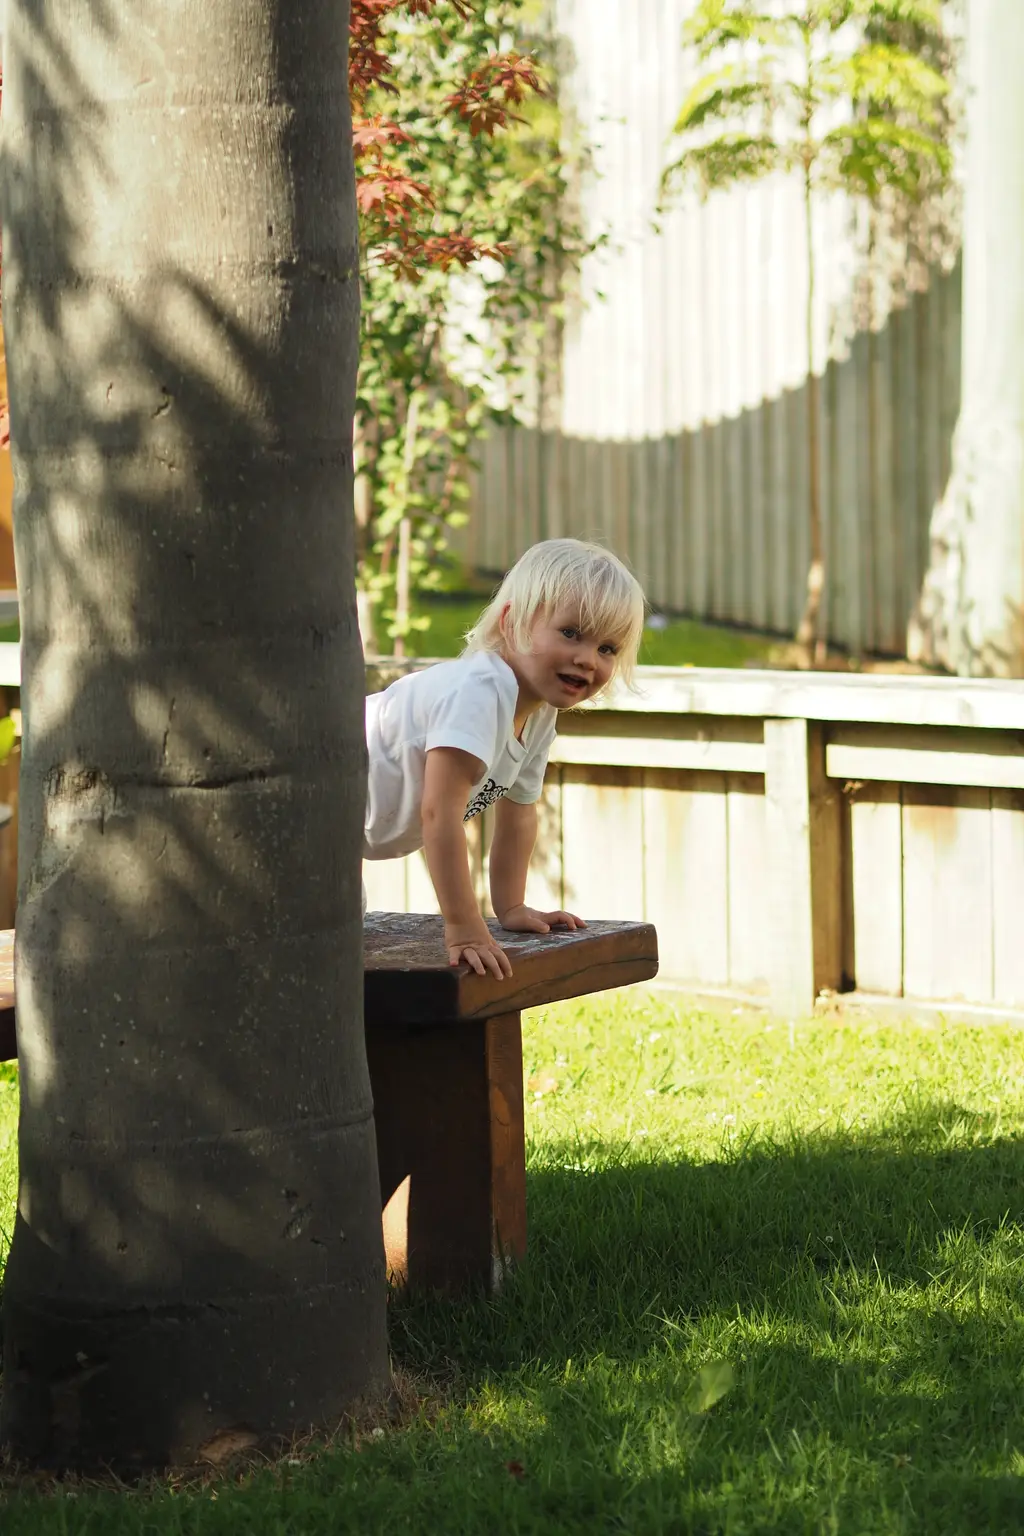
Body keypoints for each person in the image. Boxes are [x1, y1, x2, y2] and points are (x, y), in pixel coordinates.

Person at [363, 538, 646, 979]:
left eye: (607, 648)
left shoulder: (537, 712)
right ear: (513, 623)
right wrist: (464, 929)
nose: (587, 658)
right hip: (310, 799)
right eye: (570, 633)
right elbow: (439, 814)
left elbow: (519, 812)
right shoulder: (479, 692)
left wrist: (510, 906)